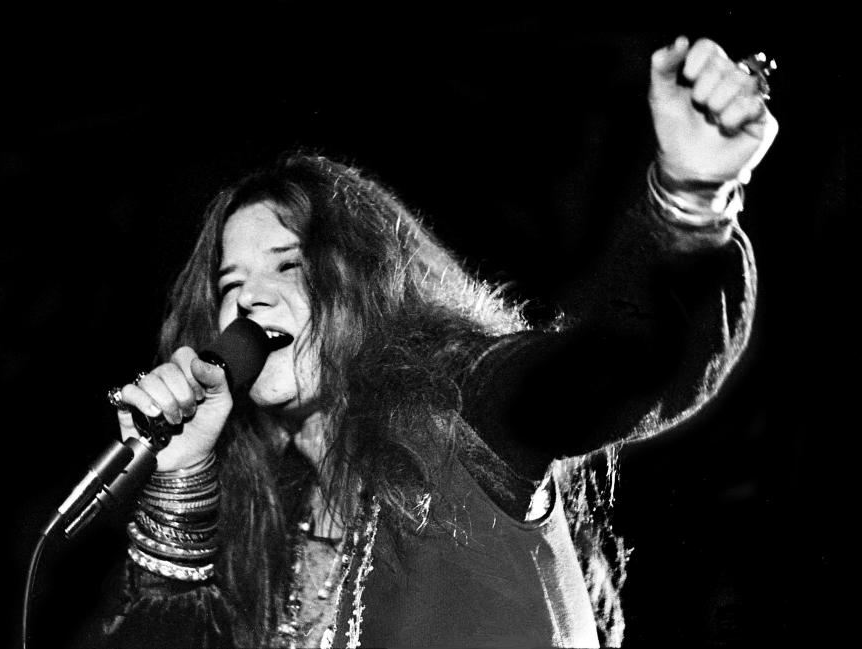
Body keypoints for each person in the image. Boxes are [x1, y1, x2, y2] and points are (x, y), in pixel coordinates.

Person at [78, 36, 777, 648]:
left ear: (366, 283)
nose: (250, 296)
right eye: (230, 282)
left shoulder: (460, 417)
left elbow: (609, 364)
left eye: (289, 265)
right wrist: (182, 479)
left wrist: (688, 198)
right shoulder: (265, 531)